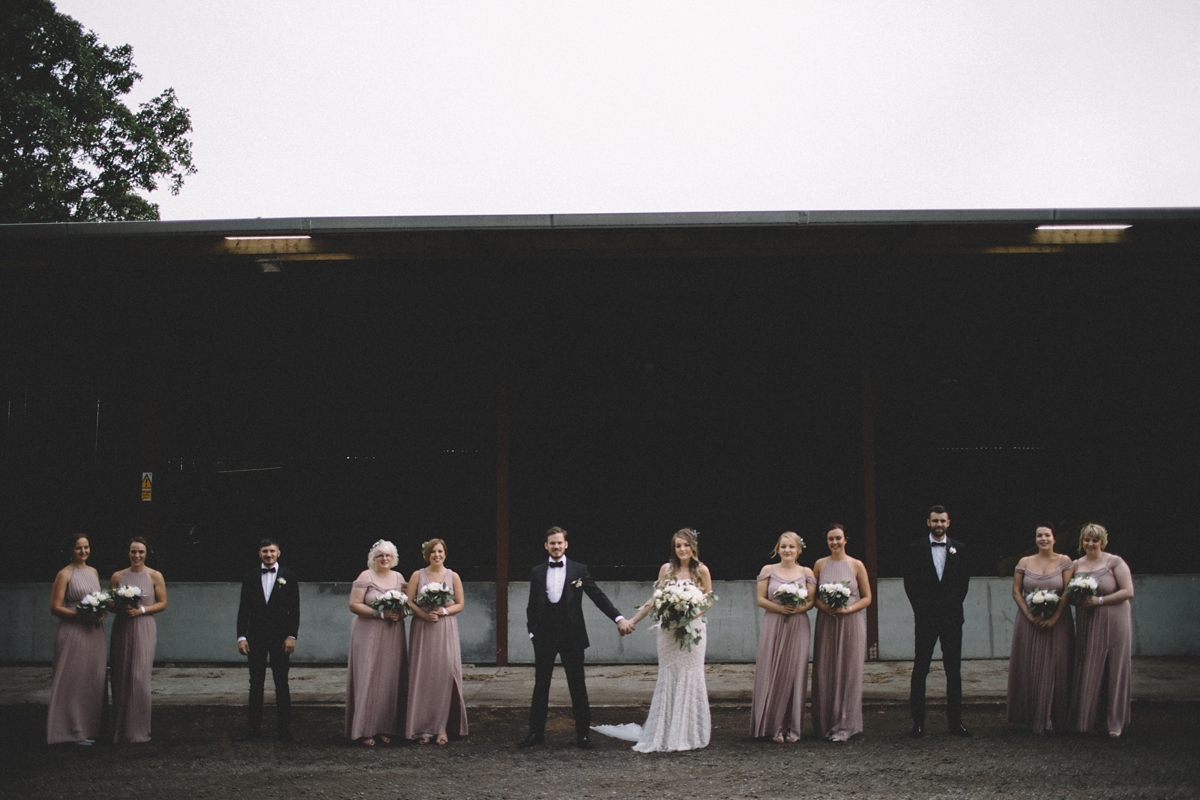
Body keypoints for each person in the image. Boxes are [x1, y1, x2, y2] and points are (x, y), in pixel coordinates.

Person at [600, 528, 714, 752]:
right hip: (668, 631)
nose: (682, 549)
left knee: (690, 675)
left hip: (693, 630)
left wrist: (691, 614)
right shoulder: (666, 569)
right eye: (678, 546)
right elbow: (655, 599)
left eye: (685, 545)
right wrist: (633, 620)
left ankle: (687, 733)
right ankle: (665, 731)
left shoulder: (701, 570)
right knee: (669, 676)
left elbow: (709, 599)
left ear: (693, 547)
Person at [519, 526, 631, 750]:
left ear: (566, 544)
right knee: (541, 685)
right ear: (546, 545)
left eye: (560, 542)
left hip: (572, 635)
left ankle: (583, 735)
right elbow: (532, 604)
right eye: (552, 543)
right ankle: (535, 733)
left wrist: (618, 617)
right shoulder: (537, 572)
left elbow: (597, 596)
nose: (556, 546)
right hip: (544, 636)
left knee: (577, 685)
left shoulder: (579, 569)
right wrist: (532, 630)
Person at [904, 504, 971, 737]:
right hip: (925, 620)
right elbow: (909, 583)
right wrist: (921, 610)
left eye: (943, 521)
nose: (939, 524)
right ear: (928, 522)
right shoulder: (915, 548)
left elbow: (964, 582)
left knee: (953, 671)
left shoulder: (960, 549)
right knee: (920, 669)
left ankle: (955, 722)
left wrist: (952, 607)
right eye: (935, 521)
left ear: (948, 523)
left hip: (952, 619)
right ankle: (918, 723)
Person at [1067, 523, 1134, 738]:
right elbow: (1069, 595)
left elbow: (1128, 591)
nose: (1090, 543)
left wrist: (1100, 600)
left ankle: (1115, 722)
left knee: (1114, 667)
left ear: (1102, 542)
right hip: (1088, 621)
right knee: (1088, 666)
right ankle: (1087, 719)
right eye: (1087, 539)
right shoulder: (1075, 564)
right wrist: (1080, 600)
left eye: (1095, 540)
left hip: (1114, 620)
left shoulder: (1114, 562)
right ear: (1081, 542)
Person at [1006, 523, 1073, 735]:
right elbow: (1016, 592)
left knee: (1057, 665)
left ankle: (1056, 717)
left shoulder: (1065, 561)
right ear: (1035, 539)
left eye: (1047, 535)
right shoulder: (1024, 562)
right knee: (1031, 665)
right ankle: (1033, 716)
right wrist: (1028, 615)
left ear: (1054, 539)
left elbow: (1067, 592)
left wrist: (1054, 618)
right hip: (1029, 622)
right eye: (1039, 536)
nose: (1043, 538)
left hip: (1059, 622)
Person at [749, 531, 815, 742]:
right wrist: (780, 609)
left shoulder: (806, 572)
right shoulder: (768, 570)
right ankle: (773, 726)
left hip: (798, 624)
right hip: (774, 623)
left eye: (791, 547)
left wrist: (798, 608)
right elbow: (760, 599)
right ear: (778, 549)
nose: (787, 550)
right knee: (773, 671)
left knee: (795, 672)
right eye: (783, 546)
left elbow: (812, 601)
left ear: (799, 550)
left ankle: (793, 727)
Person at [810, 523, 872, 742]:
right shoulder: (819, 565)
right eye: (830, 539)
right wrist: (825, 606)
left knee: (849, 670)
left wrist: (849, 609)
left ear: (846, 539)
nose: (834, 542)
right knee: (826, 670)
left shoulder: (856, 565)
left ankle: (845, 725)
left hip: (851, 622)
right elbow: (813, 596)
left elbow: (867, 597)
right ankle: (825, 724)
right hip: (827, 622)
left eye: (838, 538)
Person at [235, 538, 300, 742]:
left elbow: (295, 610)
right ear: (259, 553)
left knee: (281, 683)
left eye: (272, 551)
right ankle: (253, 728)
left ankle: (285, 730)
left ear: (278, 553)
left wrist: (291, 636)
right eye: (265, 551)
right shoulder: (250, 576)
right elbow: (243, 610)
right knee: (256, 683)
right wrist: (241, 637)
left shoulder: (289, 576)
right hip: (256, 637)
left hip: (281, 638)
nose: (269, 555)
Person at [46, 534, 108, 746]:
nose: (83, 552)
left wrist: (101, 613)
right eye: (78, 548)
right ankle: (70, 731)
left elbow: (98, 599)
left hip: (94, 632)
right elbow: (55, 607)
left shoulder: (93, 572)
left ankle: (88, 728)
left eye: (86, 547)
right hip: (73, 632)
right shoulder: (65, 574)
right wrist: (82, 616)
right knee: (74, 680)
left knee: (92, 679)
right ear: (70, 551)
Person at [345, 539, 408, 746]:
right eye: (380, 555)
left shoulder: (399, 577)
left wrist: (400, 614)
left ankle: (385, 727)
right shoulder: (366, 576)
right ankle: (364, 729)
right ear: (373, 558)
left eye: (388, 555)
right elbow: (354, 605)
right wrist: (380, 614)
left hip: (393, 633)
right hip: (368, 631)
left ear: (394, 558)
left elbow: (409, 604)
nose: (384, 558)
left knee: (390, 677)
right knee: (368, 676)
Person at [405, 538, 468, 744]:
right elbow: (409, 601)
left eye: (440, 551)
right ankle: (422, 728)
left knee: (444, 674)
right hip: (423, 628)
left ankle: (442, 728)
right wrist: (424, 615)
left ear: (445, 554)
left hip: (444, 627)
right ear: (427, 554)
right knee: (422, 676)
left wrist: (443, 610)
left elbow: (459, 604)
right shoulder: (417, 575)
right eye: (433, 552)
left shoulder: (453, 576)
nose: (437, 555)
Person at [109, 536, 168, 744]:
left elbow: (162, 603)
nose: (137, 555)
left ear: (146, 554)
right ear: (128, 553)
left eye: (141, 552)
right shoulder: (118, 576)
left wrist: (141, 609)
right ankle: (120, 729)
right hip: (122, 627)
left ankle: (139, 730)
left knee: (139, 676)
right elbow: (110, 603)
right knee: (121, 674)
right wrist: (120, 607)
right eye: (133, 552)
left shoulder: (154, 575)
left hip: (144, 626)